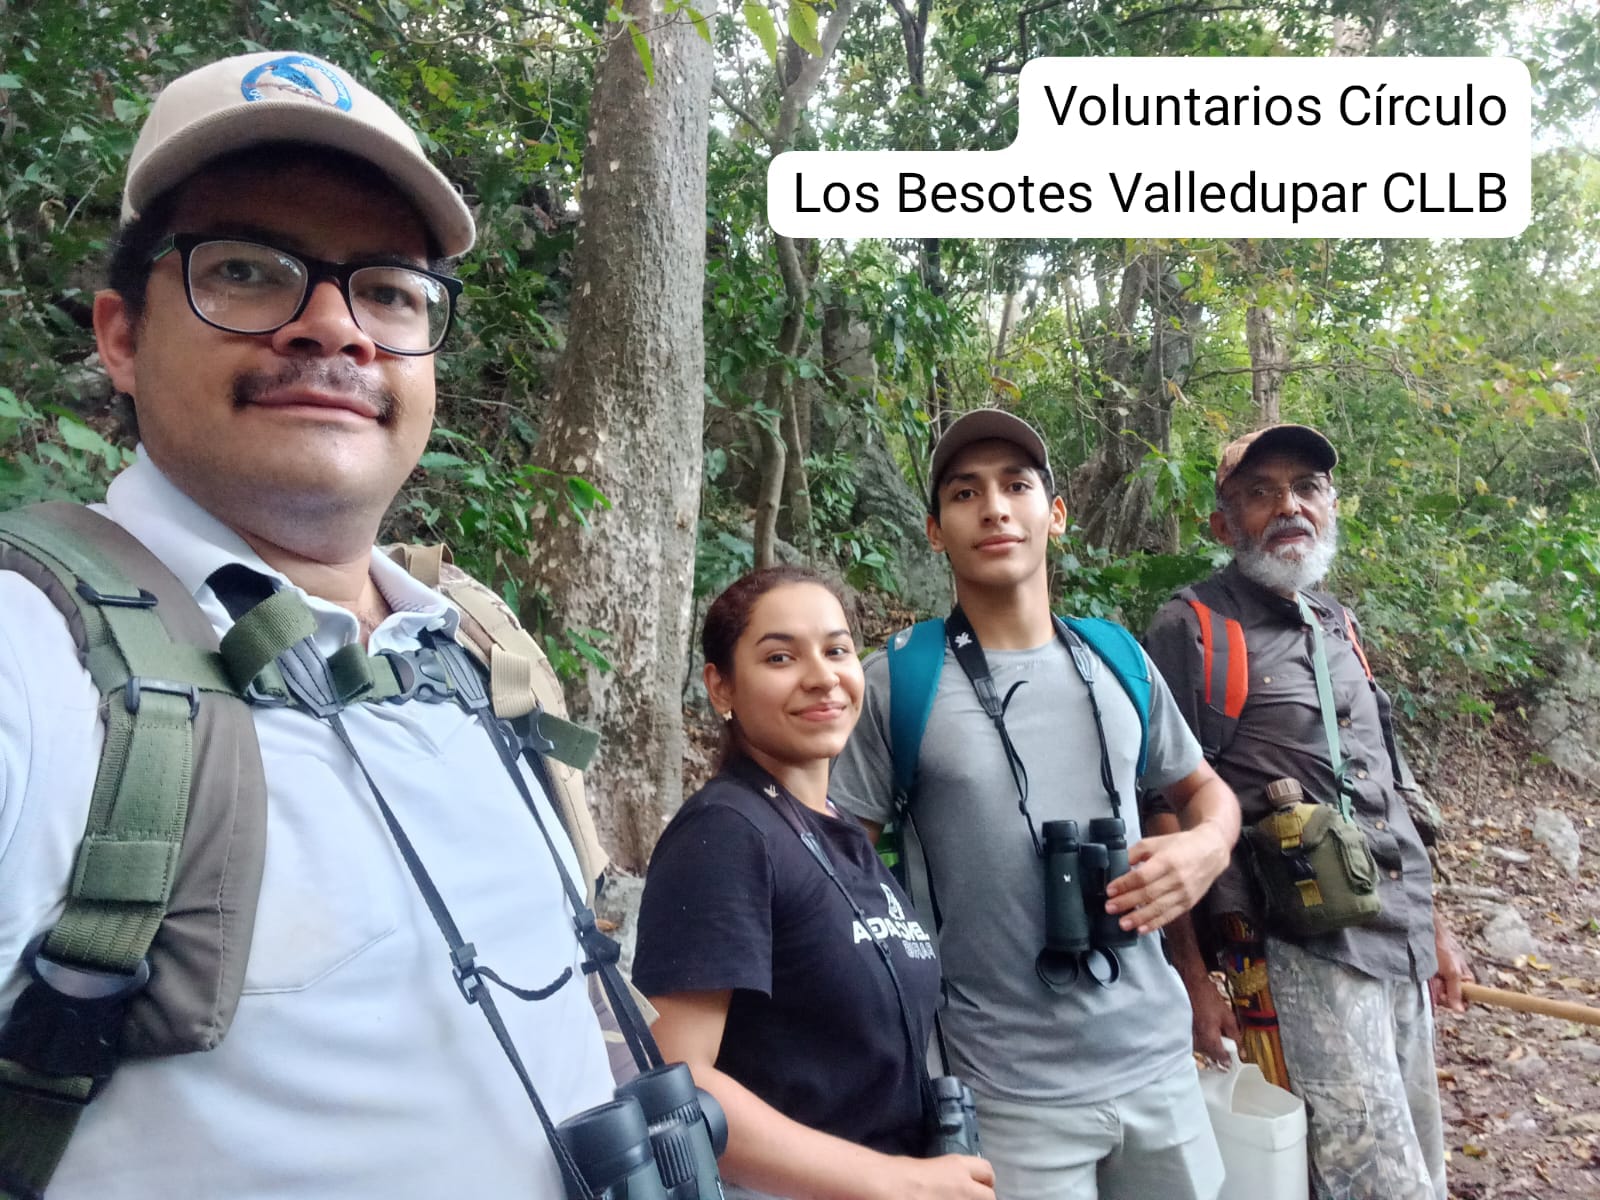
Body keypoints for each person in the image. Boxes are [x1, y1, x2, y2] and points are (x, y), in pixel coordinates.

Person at [0, 52, 618, 1198]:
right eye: (247, 269)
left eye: (388, 290)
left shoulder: (471, 647)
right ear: (121, 336)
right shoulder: (35, 658)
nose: (334, 327)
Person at [829, 410, 1238, 1200]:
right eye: (964, 492)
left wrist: (1206, 848)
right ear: (935, 531)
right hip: (1002, 1085)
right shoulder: (896, 681)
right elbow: (836, 864)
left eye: (1017, 486)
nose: (994, 508)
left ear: (1054, 515)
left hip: (1157, 1065)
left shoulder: (1117, 658)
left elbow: (1205, 792)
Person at [1142, 423, 1472, 1200]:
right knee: (1363, 1180)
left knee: (1423, 1159)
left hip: (1396, 939)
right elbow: (1157, 808)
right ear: (1224, 526)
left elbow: (1389, 781)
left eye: (1306, 488)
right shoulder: (1192, 628)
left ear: (1330, 506)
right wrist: (1189, 980)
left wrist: (1437, 929)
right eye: (1260, 493)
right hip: (1297, 951)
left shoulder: (1337, 625)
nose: (1289, 505)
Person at [632, 566, 996, 1200]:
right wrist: (893, 1179)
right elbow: (675, 1077)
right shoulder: (725, 833)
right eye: (780, 656)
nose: (822, 676)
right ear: (722, 687)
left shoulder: (838, 830)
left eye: (837, 650)